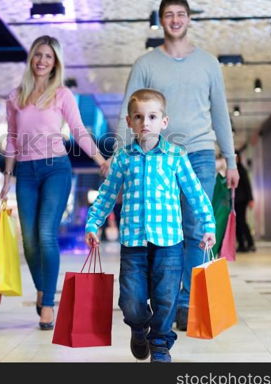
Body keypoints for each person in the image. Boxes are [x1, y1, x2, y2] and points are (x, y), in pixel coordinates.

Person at [114, 0, 238, 331]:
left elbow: (220, 113)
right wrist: (119, 159)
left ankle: (185, 303)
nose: (175, 19)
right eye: (169, 14)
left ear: (188, 18)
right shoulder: (146, 64)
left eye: (181, 13)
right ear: (161, 20)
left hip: (199, 152)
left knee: (196, 228)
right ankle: (165, 295)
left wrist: (231, 159)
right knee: (165, 231)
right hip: (157, 154)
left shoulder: (209, 63)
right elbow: (129, 109)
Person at [86, 89, 215, 363]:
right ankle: (138, 327)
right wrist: (93, 223)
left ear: (163, 122)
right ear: (130, 122)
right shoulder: (123, 158)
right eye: (139, 117)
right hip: (134, 244)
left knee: (166, 299)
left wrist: (208, 224)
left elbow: (194, 193)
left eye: (152, 116)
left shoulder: (175, 156)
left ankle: (159, 345)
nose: (146, 122)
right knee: (131, 302)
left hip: (169, 243)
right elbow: (108, 194)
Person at [0, 35, 108, 330]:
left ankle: (47, 304)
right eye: (38, 55)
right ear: (31, 58)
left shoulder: (62, 95)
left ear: (55, 62)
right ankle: (42, 288)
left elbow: (79, 130)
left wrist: (100, 161)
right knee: (30, 242)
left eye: (48, 57)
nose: (42, 61)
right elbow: (11, 138)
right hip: (25, 172)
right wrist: (7, 177)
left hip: (55, 170)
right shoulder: (15, 97)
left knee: (46, 234)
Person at [235, 150, 256, 252]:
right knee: (238, 223)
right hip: (235, 201)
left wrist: (251, 199)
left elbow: (247, 186)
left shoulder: (242, 170)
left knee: (241, 222)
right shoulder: (231, 170)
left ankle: (250, 243)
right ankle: (242, 244)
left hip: (241, 200)